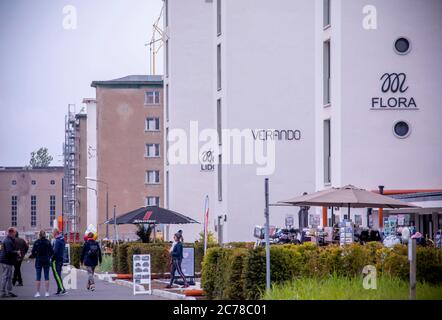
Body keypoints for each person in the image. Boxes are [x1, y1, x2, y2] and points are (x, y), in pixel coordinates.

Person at [30, 230, 53, 297]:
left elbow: (33, 252)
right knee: (46, 277)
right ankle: (47, 292)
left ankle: (37, 293)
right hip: (46, 260)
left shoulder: (36, 242)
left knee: (38, 277)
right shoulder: (48, 242)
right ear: (45, 235)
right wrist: (48, 256)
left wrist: (36, 255)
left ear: (39, 235)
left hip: (38, 260)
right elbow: (52, 252)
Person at [0, 227, 19, 298]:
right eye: (15, 232)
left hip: (6, 260)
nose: (16, 233)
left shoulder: (6, 239)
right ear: (11, 232)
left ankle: (8, 292)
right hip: (6, 261)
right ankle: (3, 292)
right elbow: (9, 251)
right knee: (6, 277)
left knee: (7, 277)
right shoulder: (8, 240)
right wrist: (17, 252)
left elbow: (2, 250)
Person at [51, 228, 66, 295]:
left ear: (55, 233)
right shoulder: (62, 239)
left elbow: (55, 251)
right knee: (58, 274)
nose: (52, 235)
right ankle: (59, 289)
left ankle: (62, 289)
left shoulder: (57, 241)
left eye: (52, 233)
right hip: (60, 259)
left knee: (57, 275)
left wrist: (51, 258)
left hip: (56, 260)